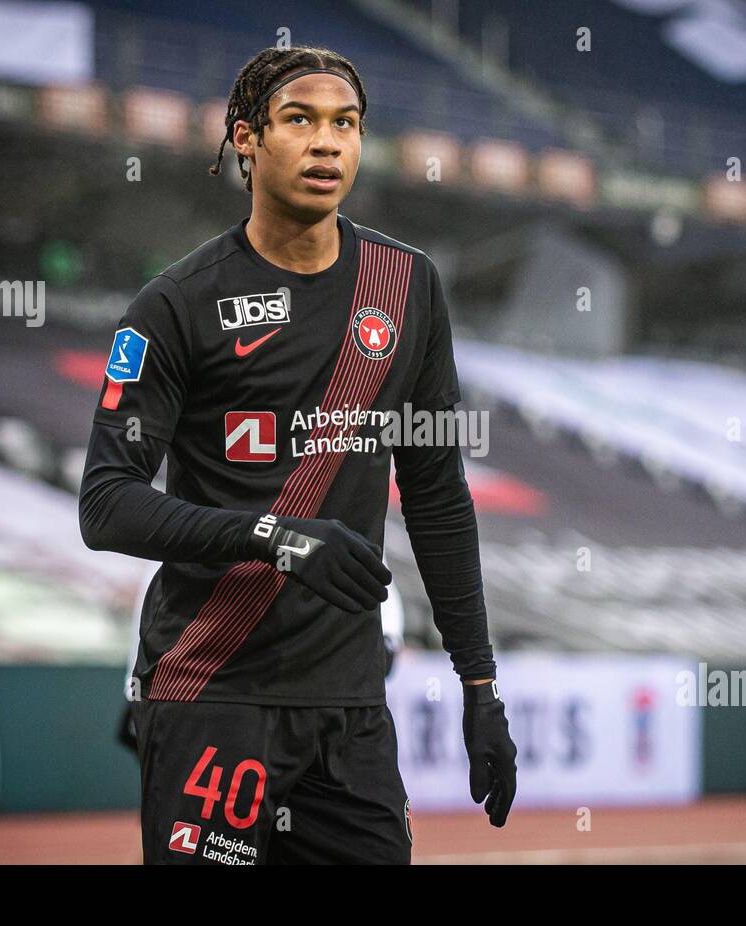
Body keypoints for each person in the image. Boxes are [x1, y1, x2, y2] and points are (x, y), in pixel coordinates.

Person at [80, 45, 516, 865]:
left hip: (350, 709)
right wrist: (271, 535)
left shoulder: (407, 287)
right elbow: (105, 502)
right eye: (300, 121)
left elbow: (437, 496)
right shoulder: (176, 305)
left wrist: (479, 684)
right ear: (245, 140)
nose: (327, 144)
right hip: (213, 690)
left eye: (345, 124)